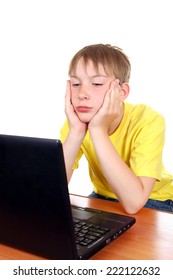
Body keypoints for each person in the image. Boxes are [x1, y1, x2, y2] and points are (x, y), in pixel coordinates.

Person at [60, 43, 173, 214]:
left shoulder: (148, 120)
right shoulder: (76, 122)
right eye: (76, 84)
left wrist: (98, 131)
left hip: (156, 200)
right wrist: (76, 131)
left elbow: (134, 203)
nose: (82, 93)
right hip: (103, 197)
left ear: (122, 92)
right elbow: (52, 188)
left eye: (96, 83)